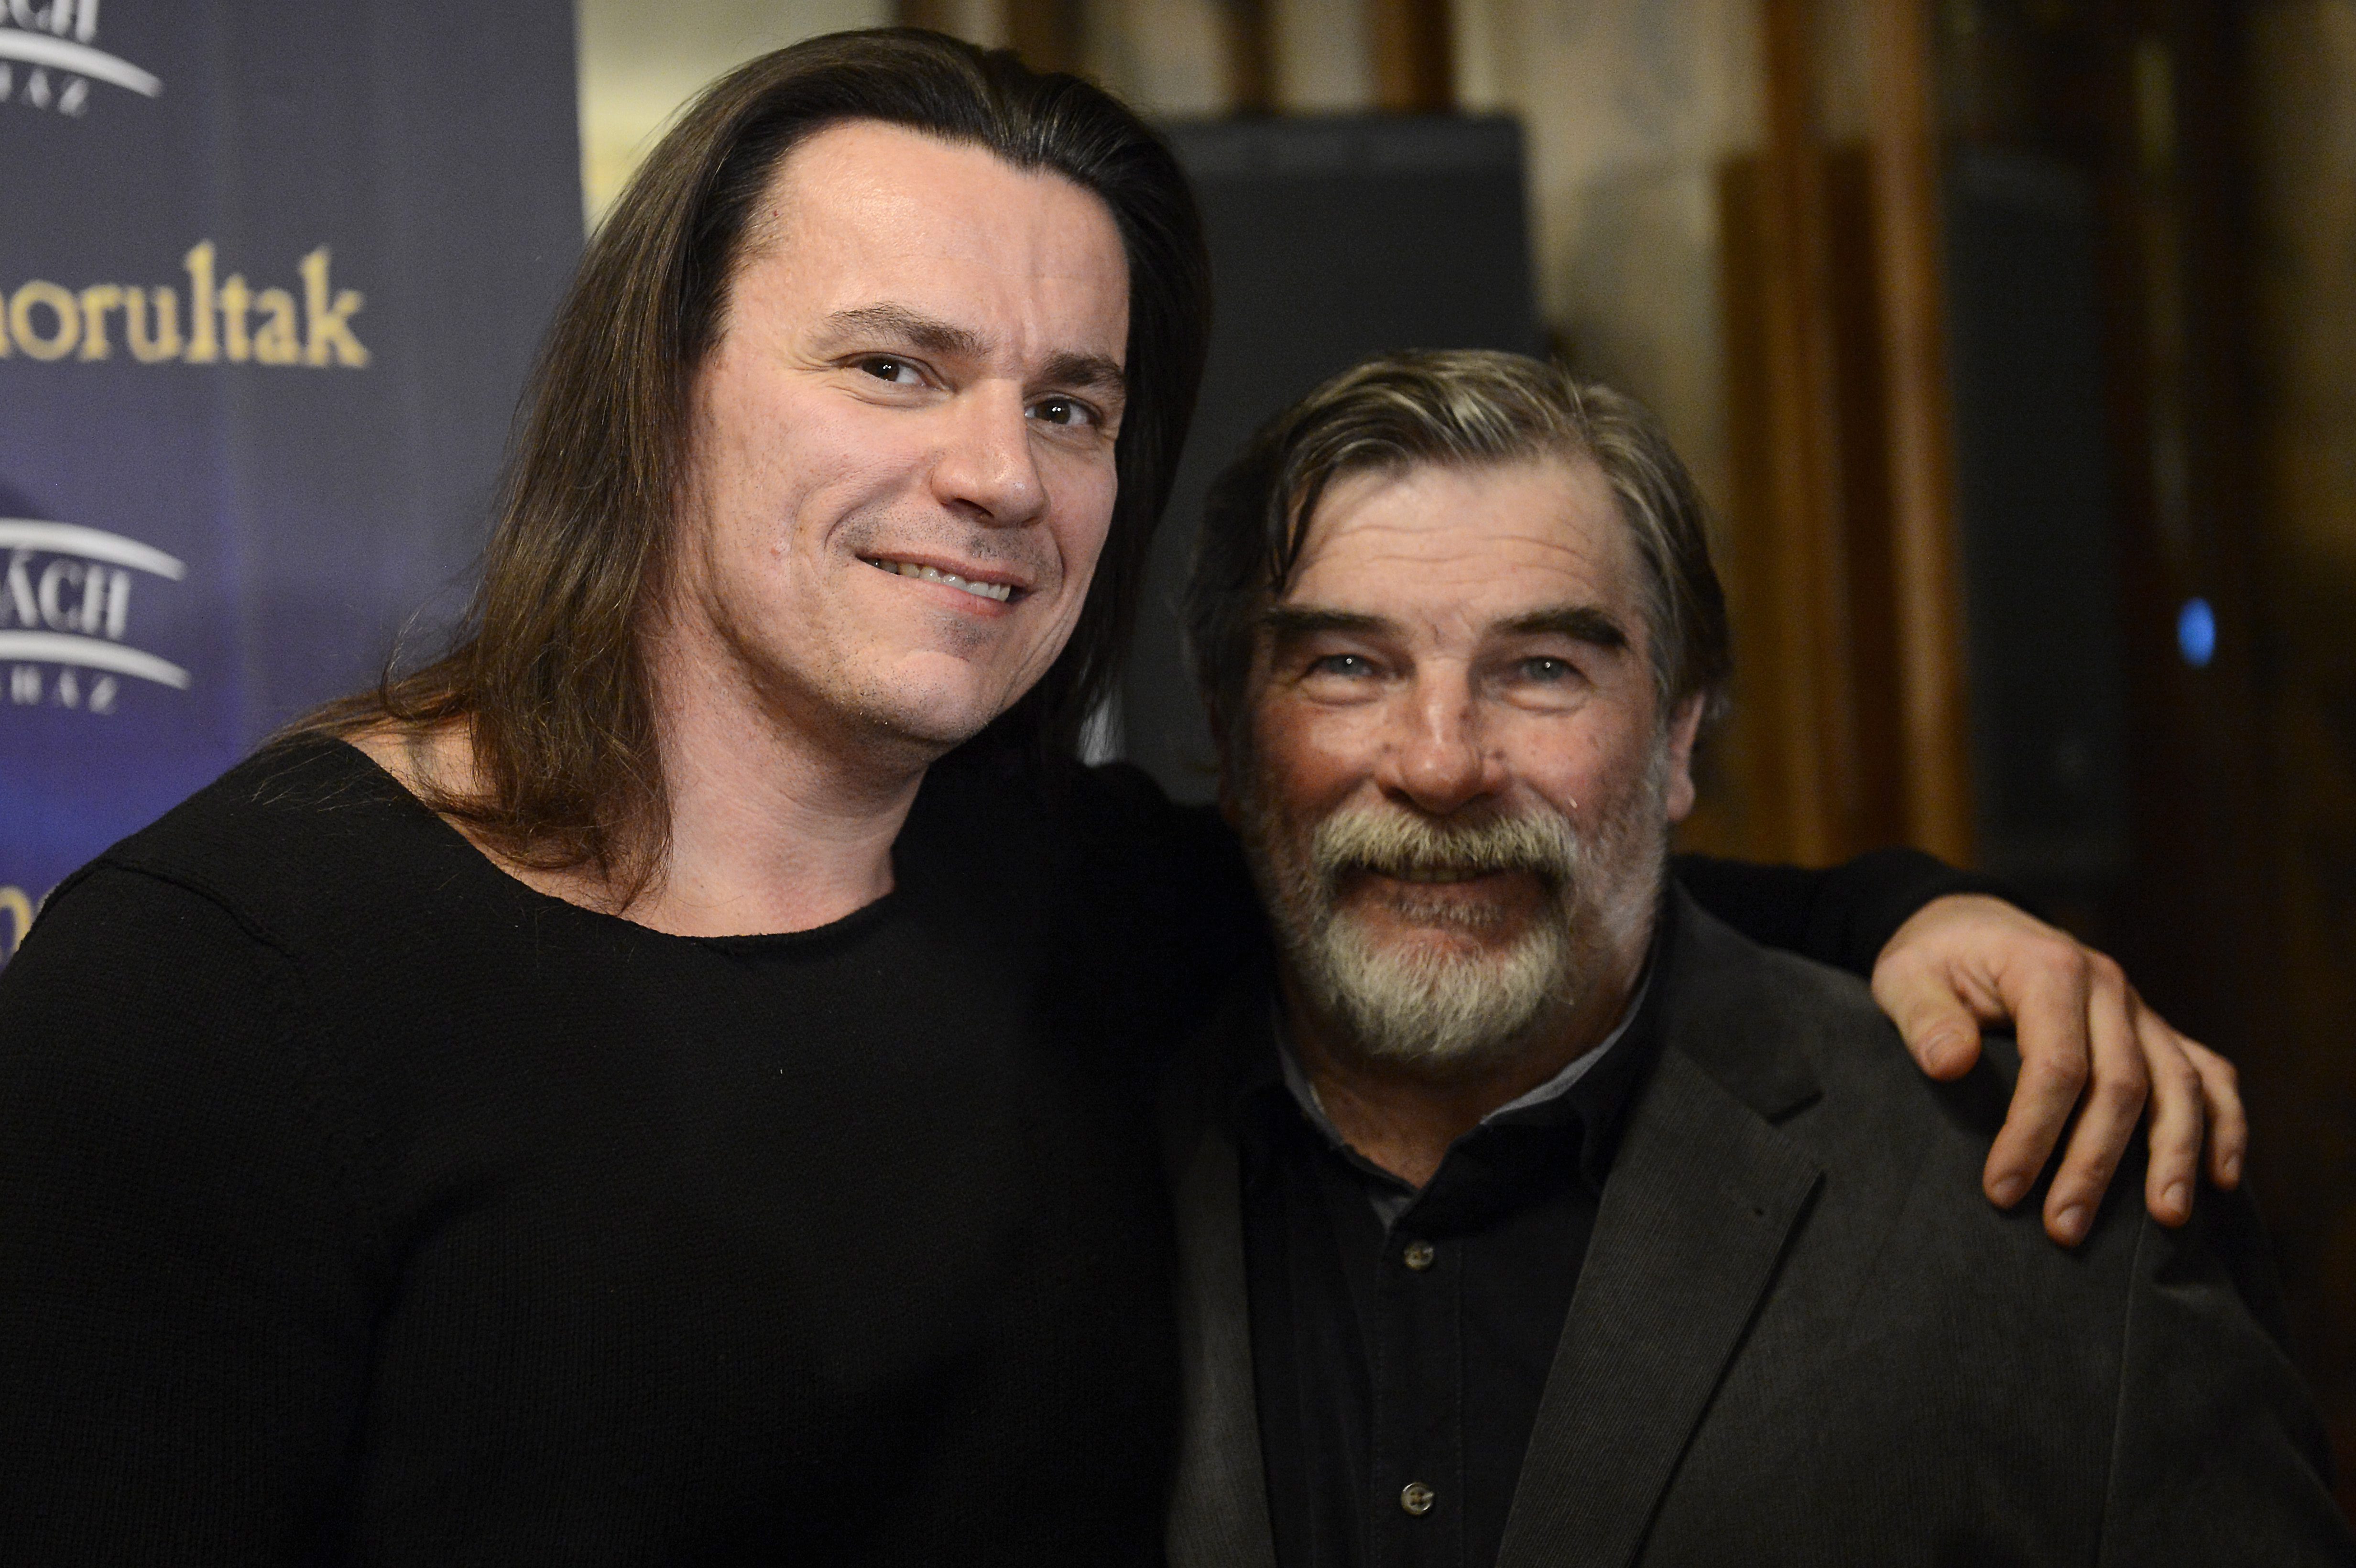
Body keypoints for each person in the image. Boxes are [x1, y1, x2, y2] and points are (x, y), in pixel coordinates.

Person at [0, 31, 2242, 1564]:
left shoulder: (1071, 896)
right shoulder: (218, 993)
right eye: (895, 366)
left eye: (1070, 404)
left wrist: (1914, 912)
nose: (999, 471)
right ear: (659, 390)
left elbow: (1483, 857)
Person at [1161, 349, 2349, 1568]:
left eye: (1542, 670)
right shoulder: (1096, 1132)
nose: (1442, 762)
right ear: (1230, 736)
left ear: (1677, 737)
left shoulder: (2048, 1191)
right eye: (1348, 666)